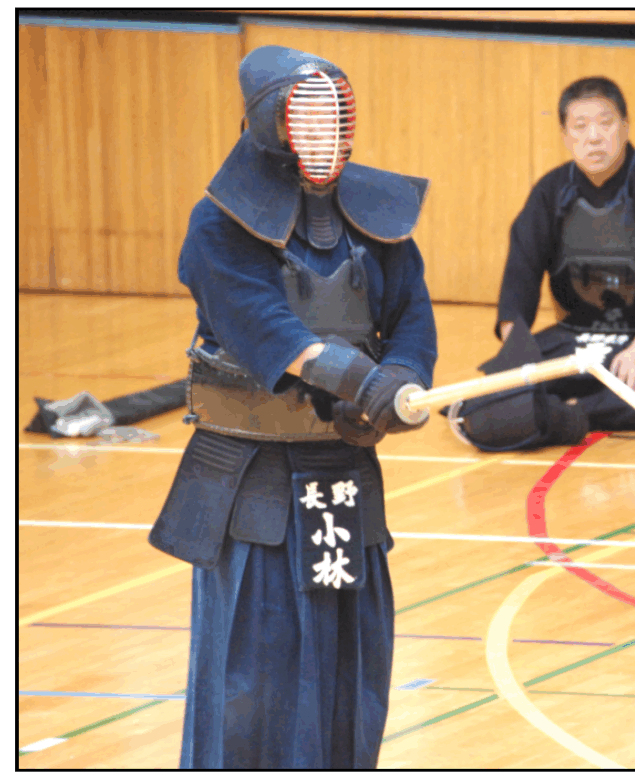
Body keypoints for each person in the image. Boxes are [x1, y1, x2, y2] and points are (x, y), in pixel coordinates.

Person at [148, 46, 437, 768]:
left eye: (336, 122)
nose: (326, 140)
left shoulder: (378, 218)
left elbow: (412, 321)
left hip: (343, 474)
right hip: (254, 484)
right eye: (307, 123)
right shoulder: (218, 226)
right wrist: (353, 376)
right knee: (255, 680)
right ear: (269, 128)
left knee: (349, 671)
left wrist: (398, 381)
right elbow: (267, 331)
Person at [448, 76, 635, 451]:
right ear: (565, 135)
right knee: (494, 392)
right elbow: (519, 278)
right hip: (573, 338)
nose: (594, 137)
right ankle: (560, 408)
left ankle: (560, 414)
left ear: (625, 127)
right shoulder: (550, 191)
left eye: (605, 124)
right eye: (580, 126)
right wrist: (517, 359)